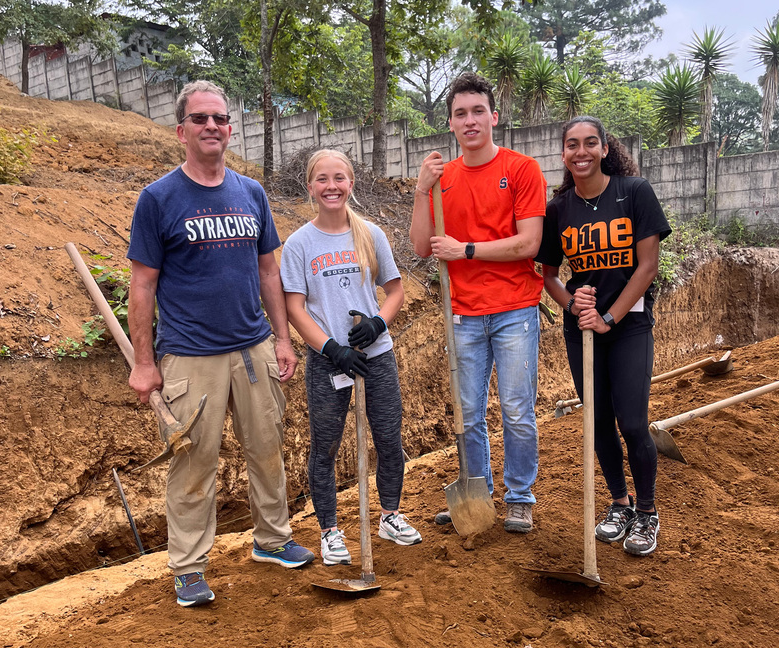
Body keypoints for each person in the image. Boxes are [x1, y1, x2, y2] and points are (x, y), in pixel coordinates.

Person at [126, 80, 314, 608]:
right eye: (201, 119)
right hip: (190, 354)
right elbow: (142, 285)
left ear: (231, 129)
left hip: (252, 347)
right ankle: (188, 567)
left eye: (221, 118)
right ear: (182, 130)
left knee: (267, 449)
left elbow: (268, 271)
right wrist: (145, 362)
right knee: (194, 462)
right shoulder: (159, 198)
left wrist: (281, 337)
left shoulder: (250, 192)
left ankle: (273, 540)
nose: (212, 126)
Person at [409, 72, 546, 533]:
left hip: (515, 310)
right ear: (450, 123)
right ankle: (477, 492)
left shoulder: (522, 169)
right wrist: (420, 190)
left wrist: (465, 250)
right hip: (463, 313)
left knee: (516, 410)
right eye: (460, 114)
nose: (470, 121)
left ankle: (520, 497)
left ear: (494, 116)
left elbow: (528, 244)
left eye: (478, 112)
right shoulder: (442, 178)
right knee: (468, 412)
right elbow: (421, 246)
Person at [536, 115, 672, 556]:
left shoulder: (634, 193)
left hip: (627, 326)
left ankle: (647, 513)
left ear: (604, 148)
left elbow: (646, 267)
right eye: (572, 144)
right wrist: (572, 305)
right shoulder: (559, 208)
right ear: (562, 154)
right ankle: (620, 504)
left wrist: (609, 318)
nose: (581, 152)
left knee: (631, 422)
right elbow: (549, 276)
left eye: (590, 143)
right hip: (583, 332)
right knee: (597, 425)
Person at [280, 149, 421, 566]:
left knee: (389, 436)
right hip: (328, 361)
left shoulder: (371, 234)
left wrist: (378, 323)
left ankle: (391, 515)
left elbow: (394, 291)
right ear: (310, 186)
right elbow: (295, 307)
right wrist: (332, 348)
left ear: (351, 183)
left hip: (376, 356)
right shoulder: (300, 244)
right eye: (322, 179)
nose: (331, 187)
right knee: (325, 445)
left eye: (339, 178)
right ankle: (329, 530)